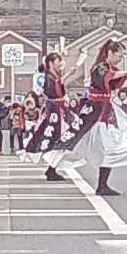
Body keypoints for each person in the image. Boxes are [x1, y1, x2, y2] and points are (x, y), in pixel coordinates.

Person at [45, 41, 127, 195]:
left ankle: (100, 184)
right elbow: (108, 76)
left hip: (104, 110)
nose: (120, 58)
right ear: (110, 53)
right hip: (95, 110)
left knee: (100, 143)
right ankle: (55, 168)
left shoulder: (109, 69)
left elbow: (115, 79)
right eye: (119, 55)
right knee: (78, 139)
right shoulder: (100, 67)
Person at [19, 53, 78, 181]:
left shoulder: (53, 75)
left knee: (59, 137)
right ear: (51, 62)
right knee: (58, 137)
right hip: (55, 111)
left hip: (58, 110)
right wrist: (68, 74)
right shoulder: (49, 76)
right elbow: (56, 87)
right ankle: (51, 168)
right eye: (58, 61)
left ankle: (52, 168)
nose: (60, 63)